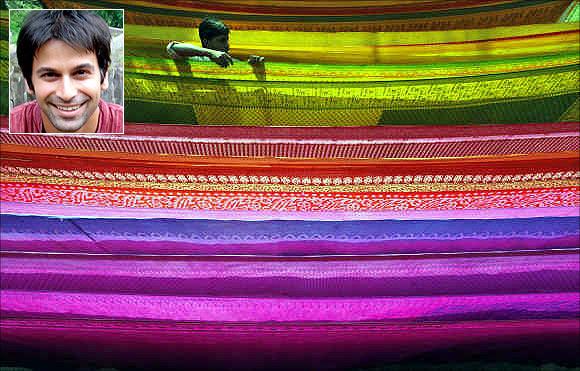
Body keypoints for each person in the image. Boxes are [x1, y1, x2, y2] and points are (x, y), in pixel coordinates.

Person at [10, 10, 123, 134]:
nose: (67, 94)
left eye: (81, 73)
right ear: (28, 80)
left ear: (104, 75)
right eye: (50, 75)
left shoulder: (129, 129)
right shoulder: (10, 128)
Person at [166, 17, 264, 68]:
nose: (227, 45)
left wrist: (250, 66)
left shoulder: (230, 62)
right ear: (206, 41)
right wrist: (210, 53)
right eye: (222, 40)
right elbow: (173, 47)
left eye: (227, 40)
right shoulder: (194, 60)